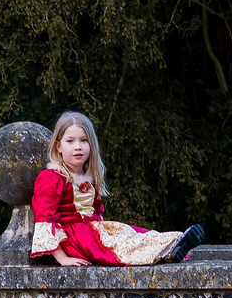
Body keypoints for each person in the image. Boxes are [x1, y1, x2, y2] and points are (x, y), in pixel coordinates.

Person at [31, 111, 204, 266]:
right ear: (58, 146)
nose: (78, 146)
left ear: (91, 145)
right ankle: (167, 250)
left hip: (94, 231)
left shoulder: (91, 176)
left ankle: (173, 246)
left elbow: (96, 212)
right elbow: (44, 220)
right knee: (118, 249)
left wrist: (108, 231)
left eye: (84, 140)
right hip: (74, 239)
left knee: (133, 235)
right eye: (70, 141)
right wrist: (62, 258)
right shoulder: (52, 177)